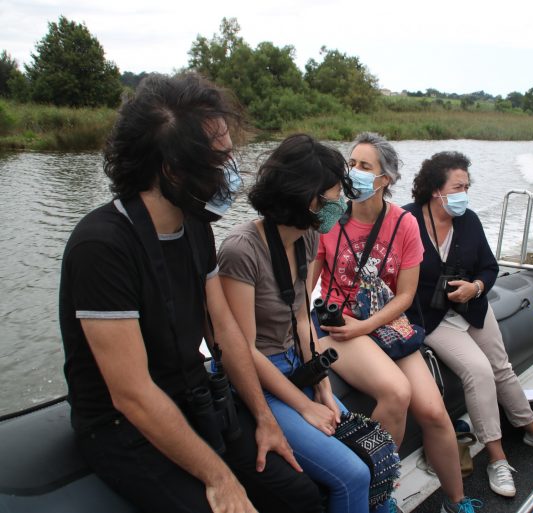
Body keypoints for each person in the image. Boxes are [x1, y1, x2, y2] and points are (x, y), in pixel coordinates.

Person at [59, 73, 321, 513]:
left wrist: (264, 419)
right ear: (172, 169)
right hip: (124, 427)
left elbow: (225, 331)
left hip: (192, 395)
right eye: (219, 160)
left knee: (300, 495)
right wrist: (220, 479)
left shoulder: (195, 226)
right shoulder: (102, 246)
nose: (231, 170)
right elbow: (133, 394)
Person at [218, 134, 389, 513]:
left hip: (297, 366)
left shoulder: (307, 238)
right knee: (353, 475)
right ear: (304, 198)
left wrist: (322, 387)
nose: (339, 207)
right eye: (331, 199)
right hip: (261, 379)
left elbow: (300, 317)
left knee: (373, 450)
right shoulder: (241, 251)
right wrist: (304, 405)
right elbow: (242, 350)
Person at [312, 132, 481, 513]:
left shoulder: (403, 223)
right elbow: (307, 281)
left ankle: (456, 502)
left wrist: (368, 325)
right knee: (397, 393)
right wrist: (316, 333)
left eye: (364, 166)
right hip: (342, 327)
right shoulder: (328, 216)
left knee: (435, 412)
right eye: (351, 164)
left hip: (385, 325)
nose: (354, 172)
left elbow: (405, 296)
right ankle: (377, 494)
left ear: (385, 179)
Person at [402, 151, 533, 498]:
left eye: (467, 186)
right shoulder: (406, 221)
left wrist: (474, 288)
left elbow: (489, 268)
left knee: (501, 366)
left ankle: (532, 429)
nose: (464, 193)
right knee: (479, 371)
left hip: (472, 307)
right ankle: (497, 458)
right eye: (458, 186)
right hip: (433, 318)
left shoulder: (469, 221)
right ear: (435, 189)